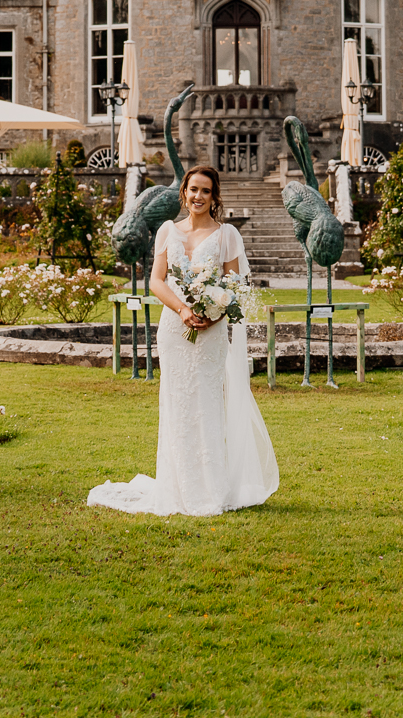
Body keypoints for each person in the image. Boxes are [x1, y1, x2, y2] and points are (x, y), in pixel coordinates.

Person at [88, 165, 278, 516]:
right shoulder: (167, 231)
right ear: (184, 193)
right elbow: (156, 281)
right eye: (193, 189)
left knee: (207, 404)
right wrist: (182, 311)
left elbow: (234, 286)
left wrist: (214, 313)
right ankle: (179, 486)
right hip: (175, 329)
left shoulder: (226, 235)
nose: (198, 196)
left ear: (214, 196)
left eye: (205, 191)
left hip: (211, 331)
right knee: (177, 405)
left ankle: (212, 487)